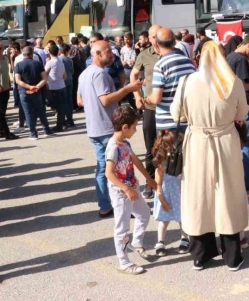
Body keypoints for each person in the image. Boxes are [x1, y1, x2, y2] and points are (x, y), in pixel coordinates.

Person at [171, 41, 249, 271]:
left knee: (198, 195)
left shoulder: (187, 82)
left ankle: (201, 255)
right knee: (227, 193)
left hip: (197, 142)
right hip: (225, 141)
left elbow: (177, 113)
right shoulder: (233, 82)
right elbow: (242, 112)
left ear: (199, 57)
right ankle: (232, 255)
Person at [78, 41, 142, 218]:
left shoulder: (85, 74)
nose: (112, 54)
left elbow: (80, 100)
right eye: (108, 52)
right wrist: (127, 88)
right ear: (98, 54)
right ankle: (125, 204)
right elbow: (105, 100)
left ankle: (106, 205)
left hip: (95, 128)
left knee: (103, 167)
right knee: (119, 167)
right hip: (106, 128)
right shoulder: (99, 74)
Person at [104, 105, 157, 275]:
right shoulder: (113, 147)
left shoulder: (125, 143)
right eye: (134, 127)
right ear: (125, 127)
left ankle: (137, 242)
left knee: (144, 214)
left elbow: (136, 161)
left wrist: (149, 179)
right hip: (121, 193)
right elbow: (109, 174)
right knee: (122, 228)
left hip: (132, 188)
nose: (135, 130)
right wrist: (126, 189)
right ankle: (124, 262)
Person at [226, 32, 249, 191]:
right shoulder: (240, 60)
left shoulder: (231, 57)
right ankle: (246, 182)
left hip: (233, 106)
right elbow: (244, 85)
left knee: (238, 144)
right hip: (246, 106)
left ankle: (239, 180)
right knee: (247, 145)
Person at [143, 28, 195, 135]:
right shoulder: (189, 62)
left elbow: (156, 98)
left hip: (167, 124)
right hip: (187, 120)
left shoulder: (160, 65)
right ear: (174, 42)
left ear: (156, 44)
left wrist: (147, 99)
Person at [131, 25, 162, 199]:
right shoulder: (144, 55)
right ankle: (150, 182)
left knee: (173, 147)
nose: (156, 39)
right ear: (149, 38)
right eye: (153, 36)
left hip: (171, 109)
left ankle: (172, 182)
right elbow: (133, 76)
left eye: (159, 35)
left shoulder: (173, 52)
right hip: (150, 108)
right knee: (150, 147)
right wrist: (137, 96)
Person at [152, 129, 189, 257]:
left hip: (179, 192)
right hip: (166, 194)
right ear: (166, 146)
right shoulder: (161, 163)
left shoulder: (179, 158)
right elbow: (158, 183)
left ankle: (184, 239)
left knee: (182, 218)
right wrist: (162, 199)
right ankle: (160, 242)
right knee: (164, 220)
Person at [15, 46, 54, 140]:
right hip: (37, 91)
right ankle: (46, 130)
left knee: (28, 112)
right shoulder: (37, 63)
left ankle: (33, 133)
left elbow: (18, 80)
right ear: (32, 54)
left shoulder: (19, 65)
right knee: (41, 111)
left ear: (23, 54)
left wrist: (29, 87)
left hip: (24, 91)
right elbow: (45, 78)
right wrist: (37, 87)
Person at [45, 44, 68, 132]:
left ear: (49, 52)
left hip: (53, 86)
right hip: (62, 85)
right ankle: (63, 123)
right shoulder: (60, 61)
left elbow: (45, 73)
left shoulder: (50, 62)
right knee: (62, 106)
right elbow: (65, 75)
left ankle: (59, 125)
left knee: (57, 107)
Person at [58, 44, 76, 128]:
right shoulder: (69, 59)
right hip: (70, 80)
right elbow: (72, 71)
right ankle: (70, 119)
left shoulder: (59, 60)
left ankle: (64, 119)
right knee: (69, 100)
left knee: (63, 101)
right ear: (66, 51)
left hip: (62, 81)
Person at [120, 32, 138, 108]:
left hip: (135, 70)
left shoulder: (136, 48)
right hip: (126, 71)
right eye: (125, 39)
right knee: (127, 90)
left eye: (128, 39)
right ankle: (134, 107)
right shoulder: (123, 49)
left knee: (136, 89)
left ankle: (140, 107)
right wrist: (122, 62)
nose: (126, 41)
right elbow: (121, 59)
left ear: (131, 39)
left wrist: (136, 62)